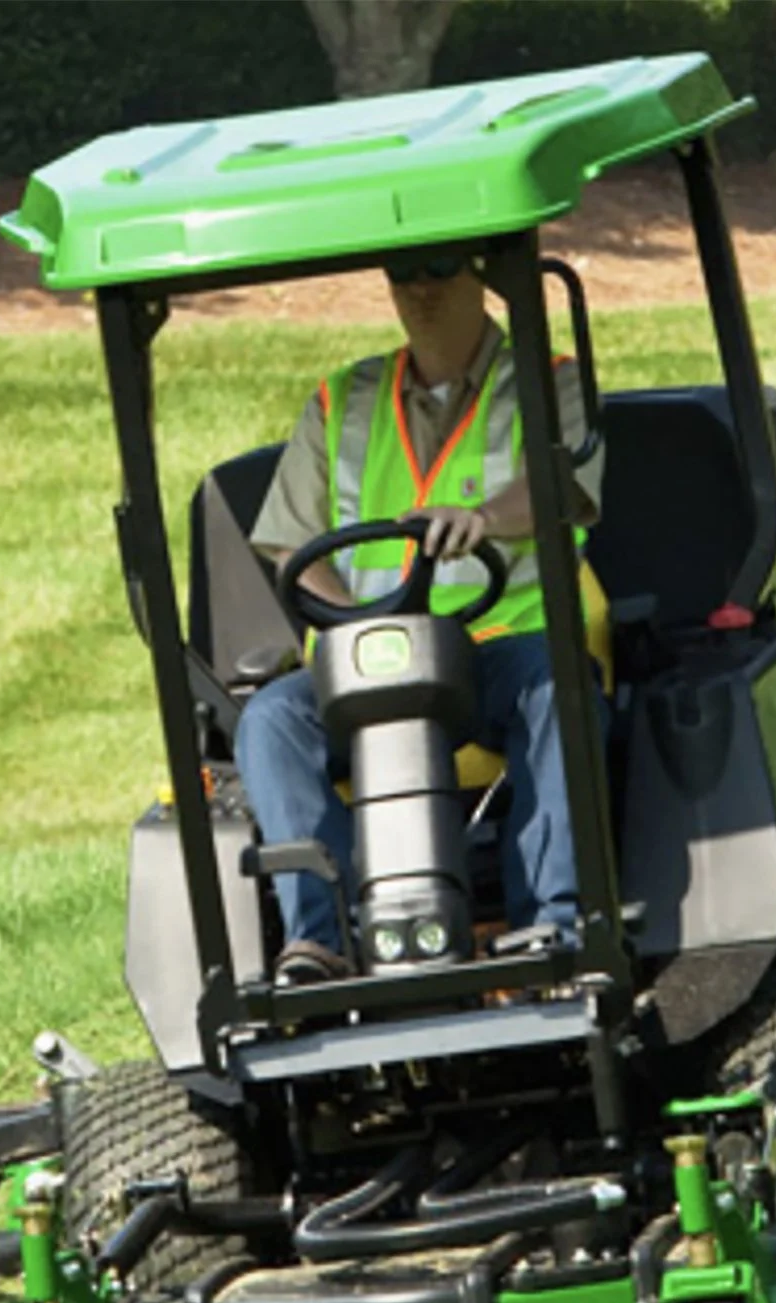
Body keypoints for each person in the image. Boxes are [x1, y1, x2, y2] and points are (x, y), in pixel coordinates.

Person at [238, 250, 609, 985]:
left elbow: (558, 488)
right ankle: (325, 937)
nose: (420, 288)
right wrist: (349, 620)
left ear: (484, 271)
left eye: (439, 265)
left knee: (560, 692)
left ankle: (550, 925)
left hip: (499, 646)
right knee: (270, 721)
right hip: (368, 659)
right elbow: (289, 541)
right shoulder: (342, 400)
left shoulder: (550, 382)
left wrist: (482, 518)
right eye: (402, 270)